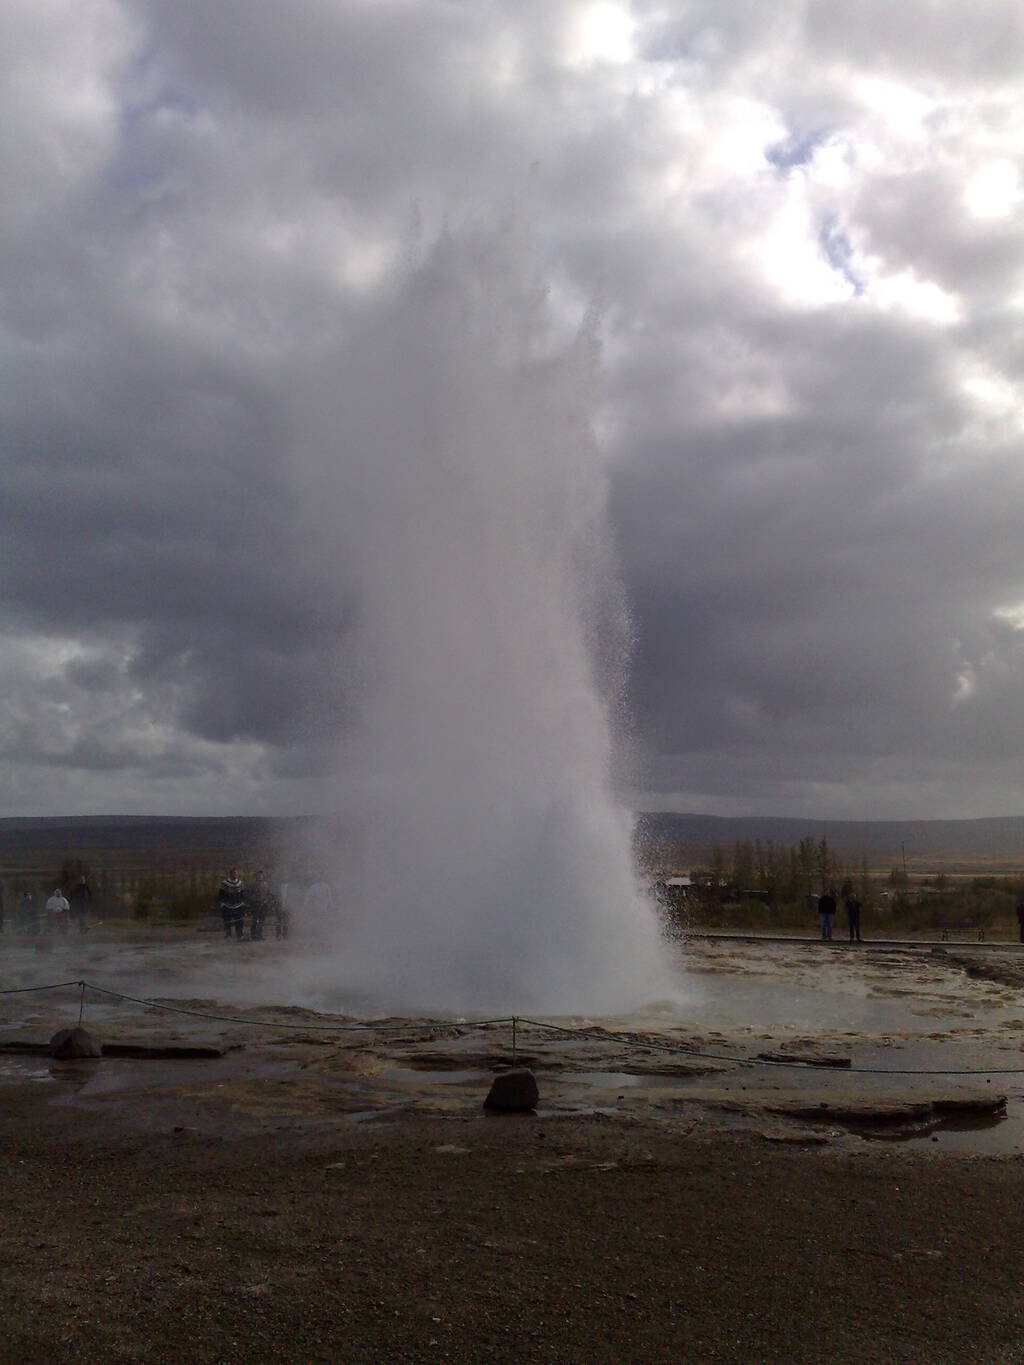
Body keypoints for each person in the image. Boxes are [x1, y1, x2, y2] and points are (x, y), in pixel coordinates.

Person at [217, 868, 246, 941]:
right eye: (233, 873)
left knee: (239, 921)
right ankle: (228, 935)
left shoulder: (240, 882)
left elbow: (243, 893)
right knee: (227, 921)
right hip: (227, 905)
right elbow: (221, 894)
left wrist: (243, 902)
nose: (235, 875)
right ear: (230, 874)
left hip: (238, 905)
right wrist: (222, 903)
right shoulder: (225, 883)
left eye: (236, 873)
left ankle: (239, 935)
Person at [248, 870, 277, 942]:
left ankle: (259, 934)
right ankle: (253, 935)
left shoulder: (266, 884)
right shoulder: (252, 884)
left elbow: (269, 894)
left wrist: (266, 900)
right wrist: (256, 900)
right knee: (255, 920)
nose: (260, 876)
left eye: (261, 875)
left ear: (263, 876)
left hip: (264, 905)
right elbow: (249, 894)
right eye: (258, 875)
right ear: (256, 875)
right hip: (255, 905)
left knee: (261, 920)